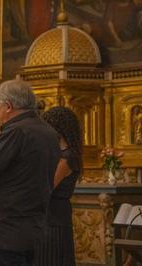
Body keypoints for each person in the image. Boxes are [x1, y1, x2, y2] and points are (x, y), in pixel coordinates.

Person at [0, 79, 61, 265]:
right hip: (32, 227)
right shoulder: (47, 132)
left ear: (8, 106)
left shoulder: (16, 132)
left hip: (6, 231)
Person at [41, 106, 83, 266]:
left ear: (58, 128)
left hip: (54, 219)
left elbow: (46, 185)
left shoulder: (68, 157)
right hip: (47, 217)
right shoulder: (57, 153)